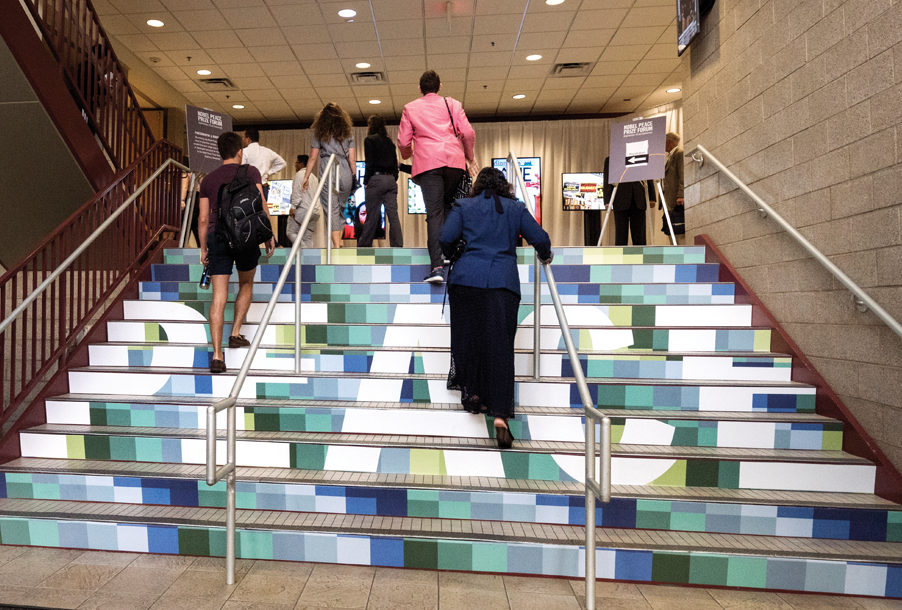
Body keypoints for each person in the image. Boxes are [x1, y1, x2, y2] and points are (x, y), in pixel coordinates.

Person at [439, 168, 552, 449]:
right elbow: (540, 237)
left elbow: (445, 237)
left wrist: (457, 252)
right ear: (505, 186)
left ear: (477, 185)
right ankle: (500, 416)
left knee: (469, 340)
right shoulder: (515, 208)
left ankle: (474, 396)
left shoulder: (464, 205)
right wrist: (545, 254)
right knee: (500, 347)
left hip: (466, 282)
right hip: (502, 284)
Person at [198, 132, 276, 374]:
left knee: (218, 296)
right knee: (246, 283)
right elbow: (261, 204)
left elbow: (202, 218)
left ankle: (218, 357)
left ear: (220, 153)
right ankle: (235, 333)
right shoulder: (250, 172)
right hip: (246, 236)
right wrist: (269, 234)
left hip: (218, 237)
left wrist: (203, 247)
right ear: (240, 151)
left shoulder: (208, 180)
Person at [398, 70, 477, 284]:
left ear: (419, 88)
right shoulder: (453, 104)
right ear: (440, 86)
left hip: (428, 165)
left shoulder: (410, 108)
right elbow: (468, 133)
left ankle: (437, 267)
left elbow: (404, 143)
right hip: (454, 162)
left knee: (434, 213)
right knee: (447, 207)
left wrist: (409, 155)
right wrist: (469, 157)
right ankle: (451, 254)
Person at [303, 103, 355, 250]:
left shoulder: (320, 134)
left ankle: (336, 245)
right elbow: (352, 159)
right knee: (341, 208)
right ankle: (340, 243)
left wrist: (306, 177)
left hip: (328, 168)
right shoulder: (348, 134)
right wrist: (354, 176)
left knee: (330, 208)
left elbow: (312, 158)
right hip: (345, 170)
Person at [359, 115, 402, 248]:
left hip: (376, 179)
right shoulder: (390, 143)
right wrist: (392, 178)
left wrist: (366, 181)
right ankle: (398, 246)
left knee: (372, 215)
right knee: (393, 215)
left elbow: (369, 163)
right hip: (390, 180)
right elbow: (395, 166)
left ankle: (364, 247)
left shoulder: (369, 140)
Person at [242, 128, 288, 246]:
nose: (242, 139)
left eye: (243, 137)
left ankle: (252, 242)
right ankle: (273, 242)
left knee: (248, 216)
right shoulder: (267, 151)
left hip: (250, 188)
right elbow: (283, 163)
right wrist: (268, 173)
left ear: (248, 139)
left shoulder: (245, 152)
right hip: (264, 186)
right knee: (264, 216)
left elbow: (241, 169)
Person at [603, 156, 656, 246]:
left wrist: (652, 197)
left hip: (638, 198)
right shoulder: (612, 159)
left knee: (640, 235)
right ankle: (620, 258)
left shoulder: (640, 156)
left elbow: (647, 175)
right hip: (620, 198)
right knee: (620, 235)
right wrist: (607, 200)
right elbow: (607, 179)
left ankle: (640, 258)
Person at [662, 132, 685, 245]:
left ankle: (680, 253)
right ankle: (674, 252)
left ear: (669, 141)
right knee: (670, 229)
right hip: (668, 200)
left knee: (678, 229)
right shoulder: (669, 157)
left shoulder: (679, 154)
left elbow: (682, 175)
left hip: (675, 199)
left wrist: (681, 195)